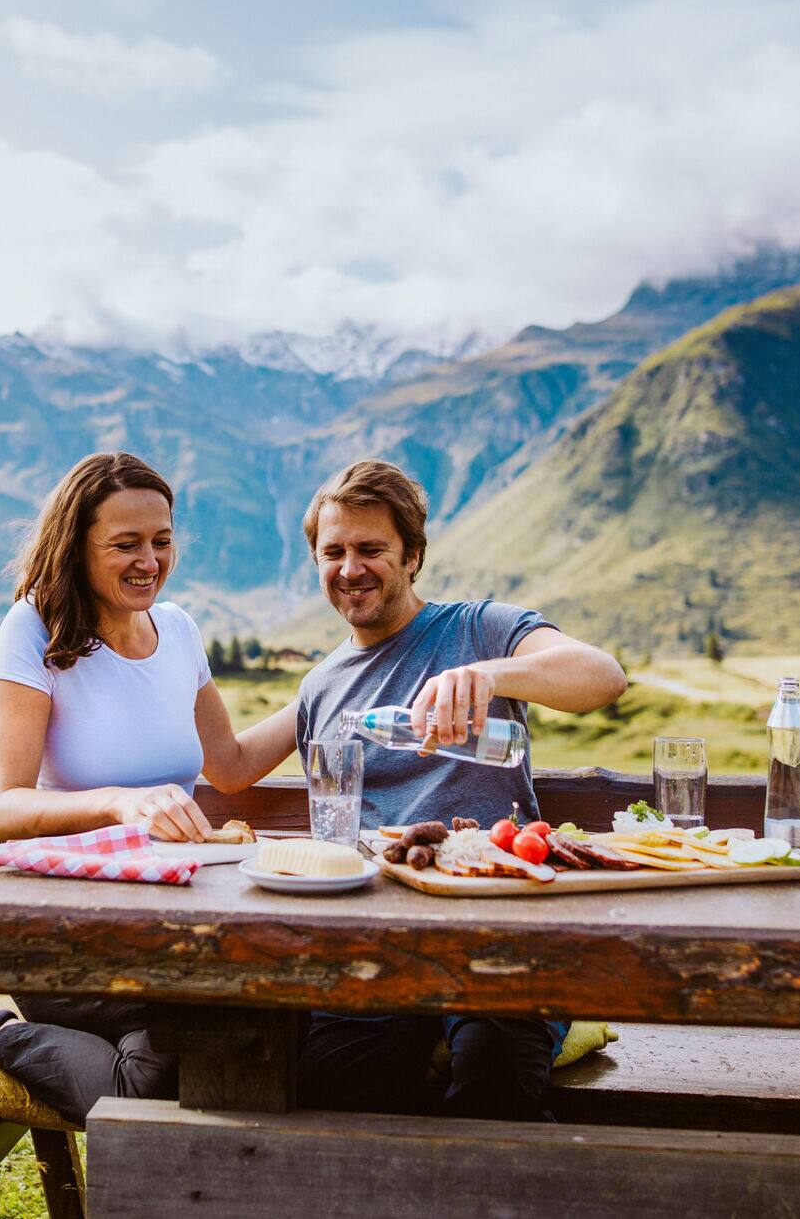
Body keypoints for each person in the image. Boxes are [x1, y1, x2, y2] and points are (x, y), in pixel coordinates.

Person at [0, 451, 295, 1124]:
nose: (150, 561)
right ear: (77, 546)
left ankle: (1, 1030)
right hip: (71, 930)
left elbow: (228, 763)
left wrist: (315, 701)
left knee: (241, 1041)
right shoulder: (35, 628)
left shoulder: (180, 629)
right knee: (157, 1089)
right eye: (125, 544)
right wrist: (119, 802)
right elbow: (2, 808)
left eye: (162, 540)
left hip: (171, 926)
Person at [291, 458, 628, 1121]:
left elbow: (602, 675)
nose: (350, 567)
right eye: (334, 551)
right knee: (332, 1084)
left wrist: (490, 674)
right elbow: (238, 766)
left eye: (371, 549)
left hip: (501, 932)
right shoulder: (320, 687)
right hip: (375, 944)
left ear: (412, 555)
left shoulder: (479, 627)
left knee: (492, 1075)